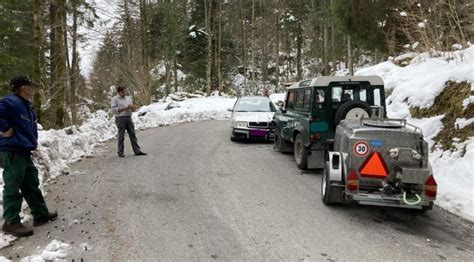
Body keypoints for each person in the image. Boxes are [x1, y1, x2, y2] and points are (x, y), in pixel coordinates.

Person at [0, 75, 58, 237]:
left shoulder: (27, 105)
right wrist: (5, 128)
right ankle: (11, 222)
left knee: (31, 183)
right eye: (31, 86)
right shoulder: (10, 102)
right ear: (23, 87)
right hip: (12, 150)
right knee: (13, 185)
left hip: (24, 150)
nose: (33, 89)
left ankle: (40, 214)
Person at [111, 86, 147, 157]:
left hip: (128, 117)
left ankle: (137, 150)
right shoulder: (115, 99)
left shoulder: (128, 98)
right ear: (118, 92)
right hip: (120, 118)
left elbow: (132, 109)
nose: (124, 93)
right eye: (122, 92)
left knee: (133, 134)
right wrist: (125, 108)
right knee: (121, 135)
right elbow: (113, 110)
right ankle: (120, 152)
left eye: (125, 91)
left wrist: (133, 108)